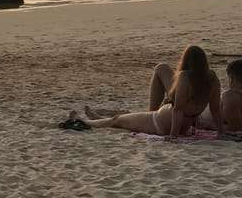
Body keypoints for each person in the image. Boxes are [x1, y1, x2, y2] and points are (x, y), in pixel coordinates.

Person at [75, 45, 221, 136]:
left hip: (160, 122)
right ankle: (96, 118)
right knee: (126, 119)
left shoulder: (185, 76)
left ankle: (86, 122)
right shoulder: (211, 78)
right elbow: (215, 109)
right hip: (171, 121)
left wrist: (173, 136)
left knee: (117, 120)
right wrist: (222, 133)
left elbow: (178, 110)